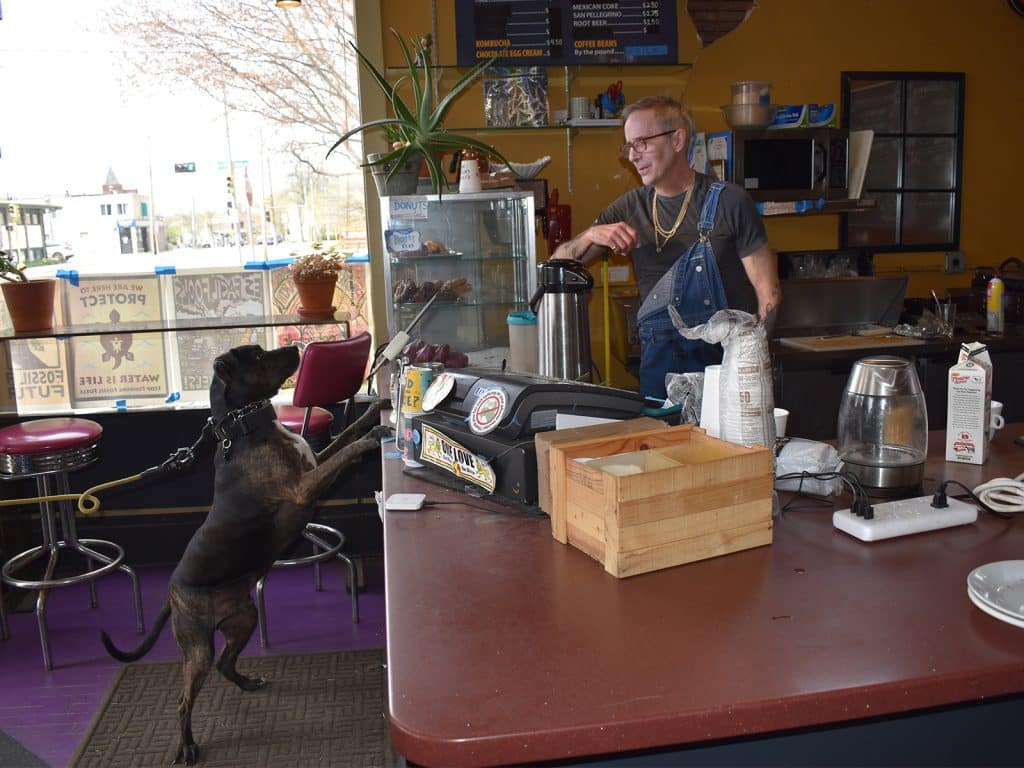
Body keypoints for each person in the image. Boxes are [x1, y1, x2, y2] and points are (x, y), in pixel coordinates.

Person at [552, 95, 781, 401]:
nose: (632, 156)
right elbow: (557, 265)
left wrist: (752, 365)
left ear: (677, 140)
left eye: (641, 143)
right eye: (628, 146)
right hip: (658, 374)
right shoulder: (629, 207)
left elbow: (770, 294)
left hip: (724, 370)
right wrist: (592, 235)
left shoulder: (729, 202)